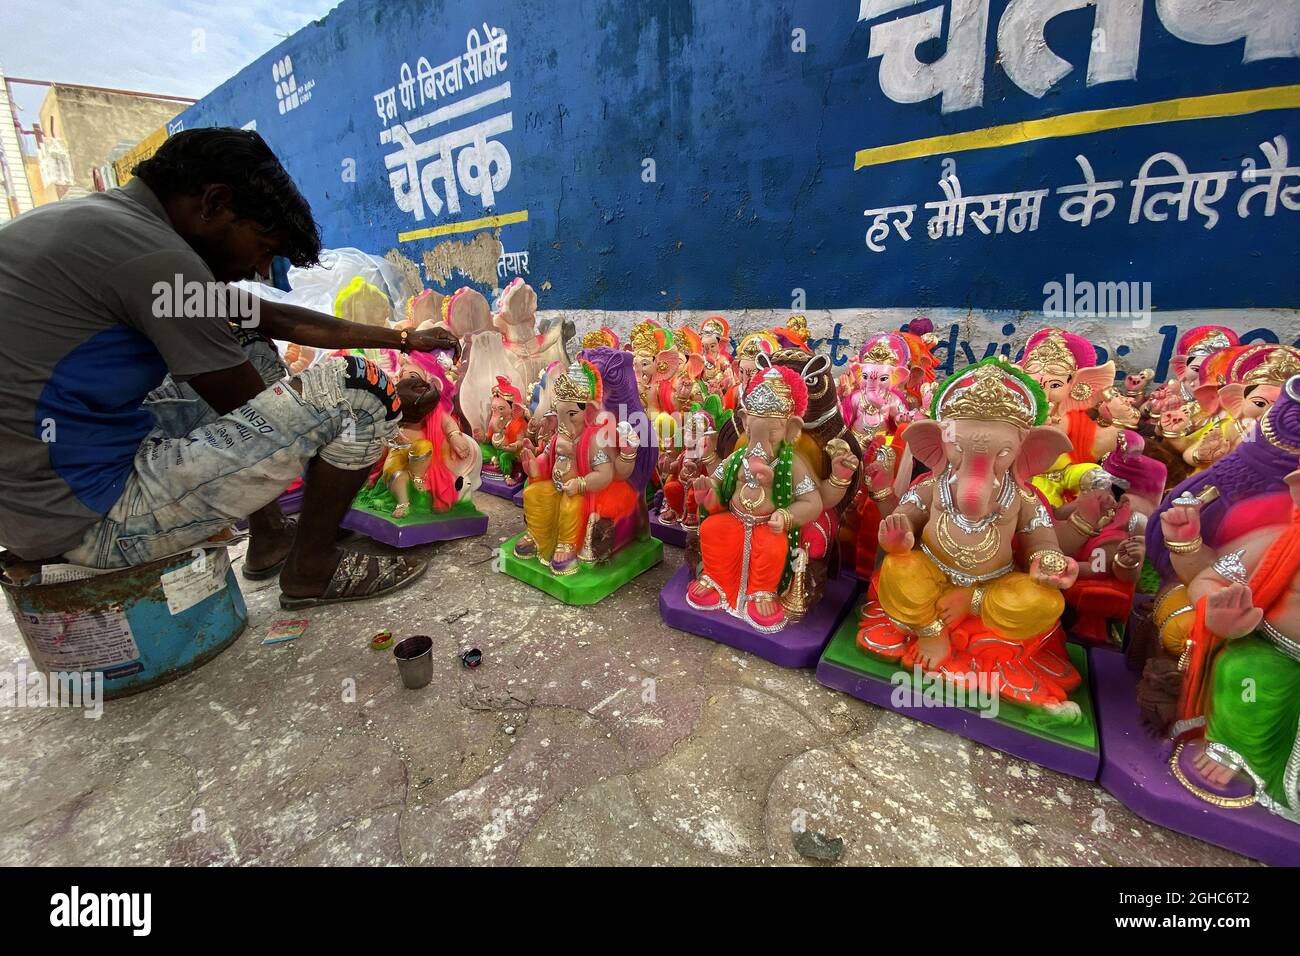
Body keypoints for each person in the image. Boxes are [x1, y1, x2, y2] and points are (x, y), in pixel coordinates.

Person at [0, 127, 459, 607]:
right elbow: (266, 415)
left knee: (248, 340)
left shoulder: (108, 225)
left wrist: (404, 338)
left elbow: (273, 316)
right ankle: (312, 567)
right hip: (90, 518)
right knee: (359, 395)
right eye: (263, 247)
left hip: (30, 507)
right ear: (214, 203)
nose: (260, 271)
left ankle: (271, 537)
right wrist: (393, 403)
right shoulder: (160, 260)